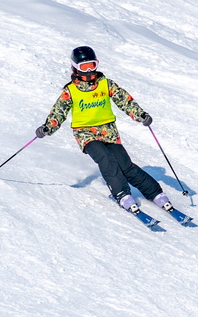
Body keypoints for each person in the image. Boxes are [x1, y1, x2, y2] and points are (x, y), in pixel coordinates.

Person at [35, 46, 174, 215]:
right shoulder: (70, 91)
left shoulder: (105, 84)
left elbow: (124, 100)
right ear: (75, 68)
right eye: (85, 67)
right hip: (84, 133)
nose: (89, 71)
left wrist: (140, 115)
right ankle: (122, 194)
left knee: (125, 164)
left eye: (92, 65)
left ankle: (155, 193)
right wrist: (48, 127)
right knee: (106, 159)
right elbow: (59, 111)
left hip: (108, 131)